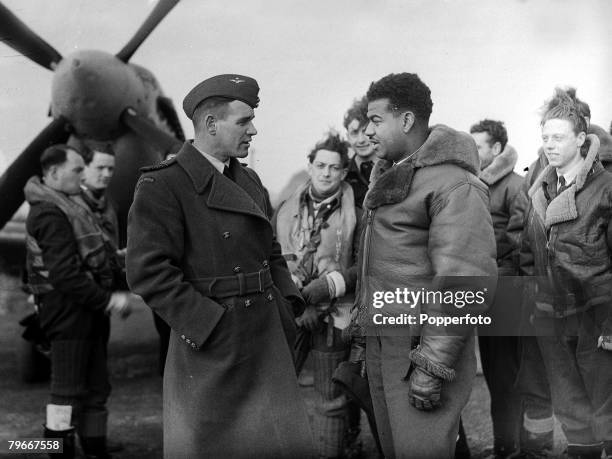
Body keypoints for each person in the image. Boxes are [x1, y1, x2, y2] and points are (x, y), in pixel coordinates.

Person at [126, 74, 314, 458]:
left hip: (266, 339)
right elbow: (148, 273)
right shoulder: (164, 185)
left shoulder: (249, 181)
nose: (254, 130)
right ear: (211, 125)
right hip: (212, 348)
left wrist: (288, 305)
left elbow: (271, 251)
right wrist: (209, 325)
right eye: (243, 121)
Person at [349, 72, 497, 458]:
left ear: (407, 121)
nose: (367, 131)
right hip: (388, 345)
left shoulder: (453, 183)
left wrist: (431, 367)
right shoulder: (395, 177)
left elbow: (465, 282)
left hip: (421, 351)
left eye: (376, 120)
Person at [24, 144, 133, 459]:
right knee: (66, 394)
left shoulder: (69, 206)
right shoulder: (48, 212)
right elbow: (65, 275)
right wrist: (109, 301)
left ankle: (96, 451)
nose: (83, 174)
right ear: (55, 173)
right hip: (69, 313)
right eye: (76, 169)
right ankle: (55, 450)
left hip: (86, 312)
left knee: (97, 389)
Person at [521, 88, 612, 459]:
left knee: (605, 399)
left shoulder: (606, 190)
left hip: (597, 310)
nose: (550, 145)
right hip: (551, 311)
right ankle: (582, 449)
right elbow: (530, 251)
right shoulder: (538, 188)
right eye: (545, 138)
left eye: (558, 137)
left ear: (580, 138)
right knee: (569, 400)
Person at [274, 132, 362, 458]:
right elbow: (270, 258)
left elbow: (361, 266)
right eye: (320, 165)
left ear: (343, 173)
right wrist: (299, 303)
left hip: (334, 316)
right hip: (292, 312)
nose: (326, 173)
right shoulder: (284, 209)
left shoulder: (358, 213)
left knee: (331, 399)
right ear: (309, 166)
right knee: (277, 391)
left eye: (334, 168)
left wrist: (324, 289)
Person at [470, 119, 523, 458]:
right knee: (493, 374)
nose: (472, 152)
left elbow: (520, 247)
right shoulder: (476, 185)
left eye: (478, 146)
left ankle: (513, 447)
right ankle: (506, 445)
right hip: (486, 293)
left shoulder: (515, 186)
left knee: (508, 377)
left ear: (497, 149)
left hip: (506, 294)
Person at [343, 96, 378, 208]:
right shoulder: (342, 174)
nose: (361, 140)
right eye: (354, 133)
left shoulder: (392, 166)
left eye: (365, 131)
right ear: (347, 137)